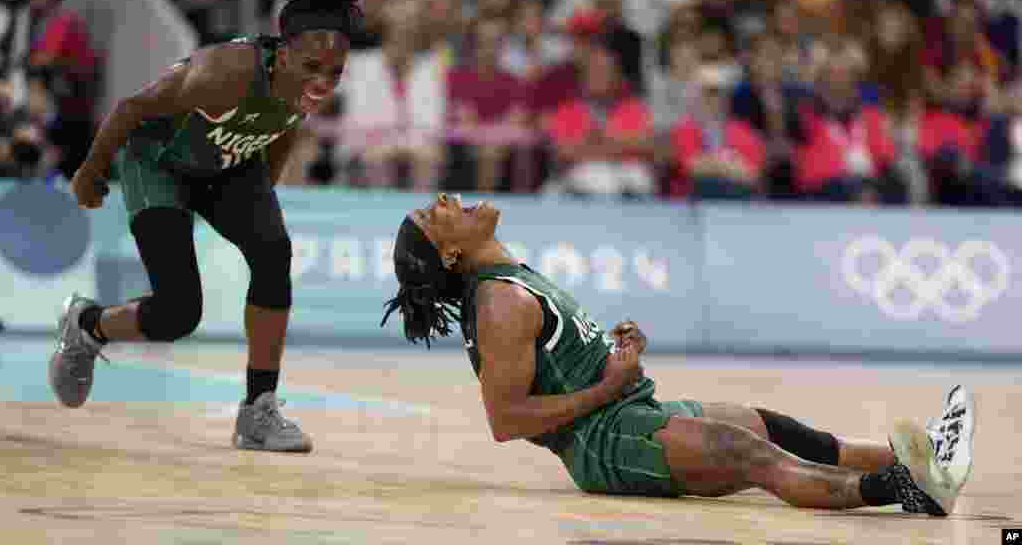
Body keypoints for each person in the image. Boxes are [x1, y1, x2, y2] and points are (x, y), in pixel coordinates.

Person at [381, 192, 976, 516]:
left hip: (630, 412)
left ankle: (928, 454)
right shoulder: (498, 305)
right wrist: (609, 385)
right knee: (755, 458)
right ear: (452, 256)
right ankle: (904, 487)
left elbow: (565, 372)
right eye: (438, 214)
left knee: (777, 428)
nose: (448, 198)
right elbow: (506, 422)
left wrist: (614, 356)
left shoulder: (509, 282)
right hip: (607, 440)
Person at [50, 0, 366, 453]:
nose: (323, 83)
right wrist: (90, 171)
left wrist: (263, 201)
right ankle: (87, 326)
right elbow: (133, 107)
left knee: (273, 250)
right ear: (283, 54)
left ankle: (258, 410)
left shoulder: (301, 83)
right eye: (313, 68)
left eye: (335, 73)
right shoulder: (224, 71)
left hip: (226, 167)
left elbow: (283, 127)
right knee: (179, 313)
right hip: (158, 164)